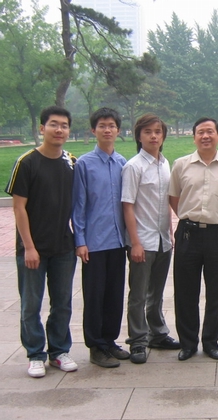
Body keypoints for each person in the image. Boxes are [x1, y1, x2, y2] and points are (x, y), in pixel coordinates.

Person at [5, 106, 78, 378]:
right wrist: (29, 247)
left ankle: (59, 351)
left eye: (64, 125)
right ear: (42, 128)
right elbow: (18, 208)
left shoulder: (71, 162)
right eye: (53, 124)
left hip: (63, 247)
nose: (59, 130)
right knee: (31, 304)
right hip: (33, 248)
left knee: (62, 303)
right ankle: (35, 354)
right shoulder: (26, 162)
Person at [169, 117, 218, 361]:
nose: (205, 136)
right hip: (188, 234)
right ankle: (188, 343)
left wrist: (216, 218)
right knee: (185, 292)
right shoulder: (181, 165)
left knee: (216, 292)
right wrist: (189, 218)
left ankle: (211, 342)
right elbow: (174, 198)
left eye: (210, 132)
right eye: (200, 132)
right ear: (194, 137)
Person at [73, 107, 129, 368]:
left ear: (118, 130)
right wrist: (80, 240)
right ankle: (96, 346)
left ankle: (110, 340)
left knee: (115, 294)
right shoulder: (84, 164)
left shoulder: (122, 163)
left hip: (118, 242)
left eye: (111, 126)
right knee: (94, 296)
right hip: (94, 243)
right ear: (93, 130)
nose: (107, 130)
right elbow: (79, 205)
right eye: (102, 126)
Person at [121, 114, 180, 365]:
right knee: (138, 294)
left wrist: (170, 232)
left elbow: (165, 202)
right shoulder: (133, 167)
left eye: (158, 131)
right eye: (147, 132)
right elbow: (127, 206)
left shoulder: (165, 164)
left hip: (163, 240)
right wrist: (135, 242)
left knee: (157, 292)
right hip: (142, 242)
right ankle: (137, 340)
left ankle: (158, 333)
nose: (153, 136)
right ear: (139, 136)